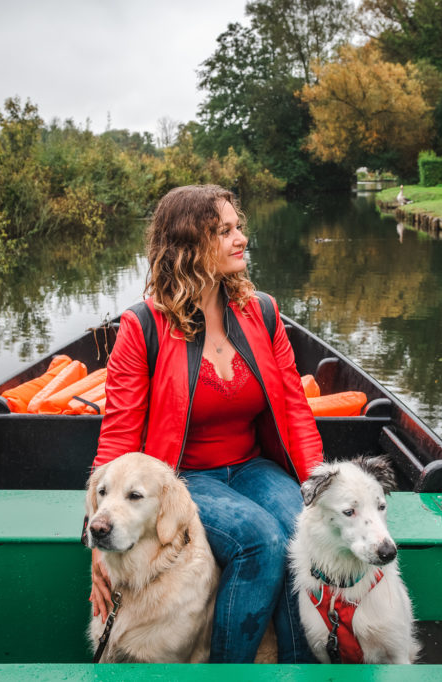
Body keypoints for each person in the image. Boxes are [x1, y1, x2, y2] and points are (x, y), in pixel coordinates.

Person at [89, 184, 324, 663]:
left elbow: (296, 410)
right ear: (189, 246)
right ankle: (227, 673)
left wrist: (321, 486)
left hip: (250, 466)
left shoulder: (263, 311)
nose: (241, 239)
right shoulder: (143, 327)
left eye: (239, 227)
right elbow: (117, 437)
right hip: (182, 476)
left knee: (305, 529)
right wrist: (96, 545)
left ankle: (299, 672)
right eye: (225, 231)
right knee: (260, 541)